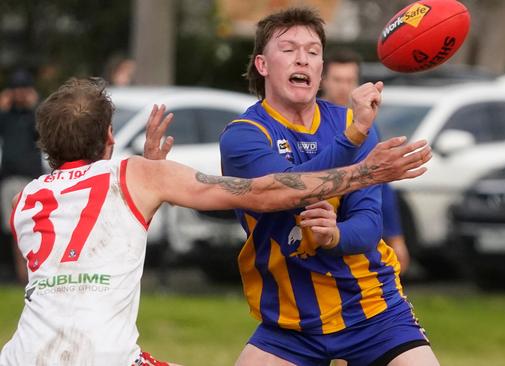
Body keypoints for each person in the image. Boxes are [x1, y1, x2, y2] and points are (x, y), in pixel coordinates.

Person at [0, 77, 431, 365]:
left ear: (46, 143)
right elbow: (262, 193)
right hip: (102, 356)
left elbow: (87, 236)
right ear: (110, 137)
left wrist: (150, 181)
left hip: (21, 354)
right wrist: (364, 172)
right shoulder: (137, 174)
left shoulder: (23, 200)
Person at [219, 8, 438, 366]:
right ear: (262, 65)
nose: (302, 58)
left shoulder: (353, 122)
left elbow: (369, 224)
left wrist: (334, 235)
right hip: (290, 323)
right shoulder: (244, 135)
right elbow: (289, 191)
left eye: (313, 50)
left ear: (321, 68)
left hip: (372, 310)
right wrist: (353, 140)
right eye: (288, 49)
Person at [321, 48, 411, 273]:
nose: (343, 86)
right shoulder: (308, 121)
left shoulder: (366, 125)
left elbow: (381, 184)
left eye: (350, 80)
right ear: (324, 80)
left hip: (354, 231)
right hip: (315, 226)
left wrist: (396, 237)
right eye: (337, 79)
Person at [0, 69, 43, 284]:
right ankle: (20, 275)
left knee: (34, 227)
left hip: (31, 180)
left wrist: (35, 106)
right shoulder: (6, 116)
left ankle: (33, 273)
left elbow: (44, 134)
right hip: (9, 178)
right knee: (14, 230)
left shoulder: (35, 116)